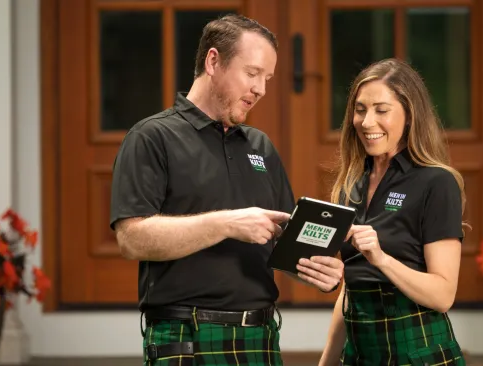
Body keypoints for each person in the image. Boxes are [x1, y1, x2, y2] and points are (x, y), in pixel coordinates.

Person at [109, 14, 344, 366]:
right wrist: (228, 224)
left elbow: (282, 241)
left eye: (267, 78)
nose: (261, 88)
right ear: (213, 61)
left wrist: (320, 269)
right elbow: (132, 239)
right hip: (185, 337)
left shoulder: (260, 146)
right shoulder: (152, 137)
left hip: (261, 337)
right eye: (252, 73)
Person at [314, 58, 468, 366]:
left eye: (381, 110)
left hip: (418, 352)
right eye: (360, 110)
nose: (367, 122)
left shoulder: (437, 182)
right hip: (359, 355)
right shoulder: (350, 185)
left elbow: (443, 295)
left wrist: (382, 259)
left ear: (410, 115)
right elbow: (351, 290)